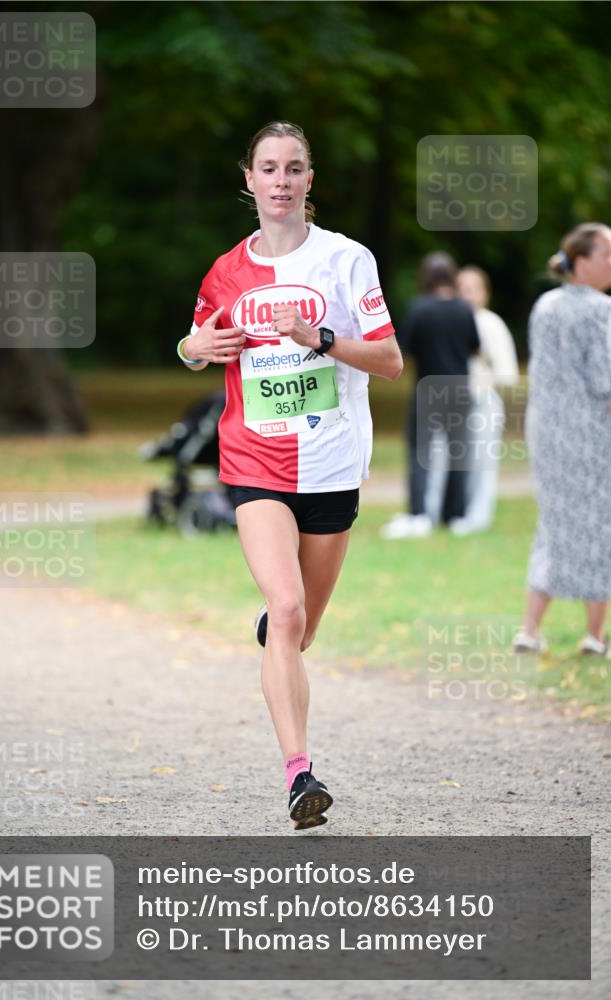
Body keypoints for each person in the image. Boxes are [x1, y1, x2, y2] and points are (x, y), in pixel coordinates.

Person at [177, 121, 403, 828]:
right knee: (290, 608)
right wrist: (193, 346)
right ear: (248, 179)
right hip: (252, 459)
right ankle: (300, 775)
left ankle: (279, 629)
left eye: (293, 168)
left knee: (299, 631)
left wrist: (322, 339)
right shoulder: (225, 271)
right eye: (267, 168)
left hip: (332, 464)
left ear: (310, 179)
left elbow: (391, 360)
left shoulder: (346, 260)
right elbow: (195, 342)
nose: (280, 180)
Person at [514, 223, 611, 657]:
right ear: (583, 260)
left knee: (554, 525)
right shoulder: (600, 310)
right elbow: (605, 381)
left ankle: (530, 629)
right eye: (606, 254)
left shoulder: (545, 305)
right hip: (591, 432)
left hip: (547, 430)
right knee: (600, 524)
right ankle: (595, 635)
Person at [381, 252, 479, 539]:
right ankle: (455, 515)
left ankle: (419, 514)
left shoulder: (419, 308)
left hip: (428, 388)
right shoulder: (464, 308)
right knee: (457, 452)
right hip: (461, 388)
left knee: (419, 453)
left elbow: (406, 350)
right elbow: (475, 347)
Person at [446, 265, 520, 535]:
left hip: (483, 402)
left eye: (472, 289)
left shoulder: (491, 324)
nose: (467, 295)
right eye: (461, 288)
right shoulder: (450, 321)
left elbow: (507, 372)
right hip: (453, 403)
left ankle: (478, 517)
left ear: (484, 293)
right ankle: (456, 512)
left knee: (481, 461)